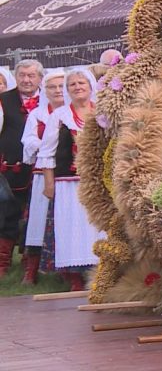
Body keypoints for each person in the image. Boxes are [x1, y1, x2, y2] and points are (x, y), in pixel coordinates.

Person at [37, 69, 105, 291]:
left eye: (81, 83)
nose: (77, 87)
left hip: (99, 181)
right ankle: (74, 276)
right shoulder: (60, 116)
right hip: (68, 182)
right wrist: (49, 184)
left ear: (91, 86)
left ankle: (101, 273)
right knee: (71, 226)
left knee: (98, 226)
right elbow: (47, 152)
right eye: (72, 84)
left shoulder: (102, 113)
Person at [19, 71, 65, 284]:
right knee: (38, 221)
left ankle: (68, 270)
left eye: (61, 86)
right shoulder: (37, 115)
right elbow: (28, 140)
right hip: (42, 173)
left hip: (66, 173)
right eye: (52, 87)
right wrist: (48, 146)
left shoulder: (74, 112)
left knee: (64, 220)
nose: (57, 90)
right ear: (45, 91)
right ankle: (31, 270)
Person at [0, 59, 43, 278]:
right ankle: (3, 261)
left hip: (43, 168)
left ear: (40, 78)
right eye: (22, 75)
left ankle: (31, 262)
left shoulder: (50, 97)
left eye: (31, 75)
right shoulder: (3, 100)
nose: (26, 80)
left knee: (38, 214)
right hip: (11, 167)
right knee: (8, 212)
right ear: (15, 77)